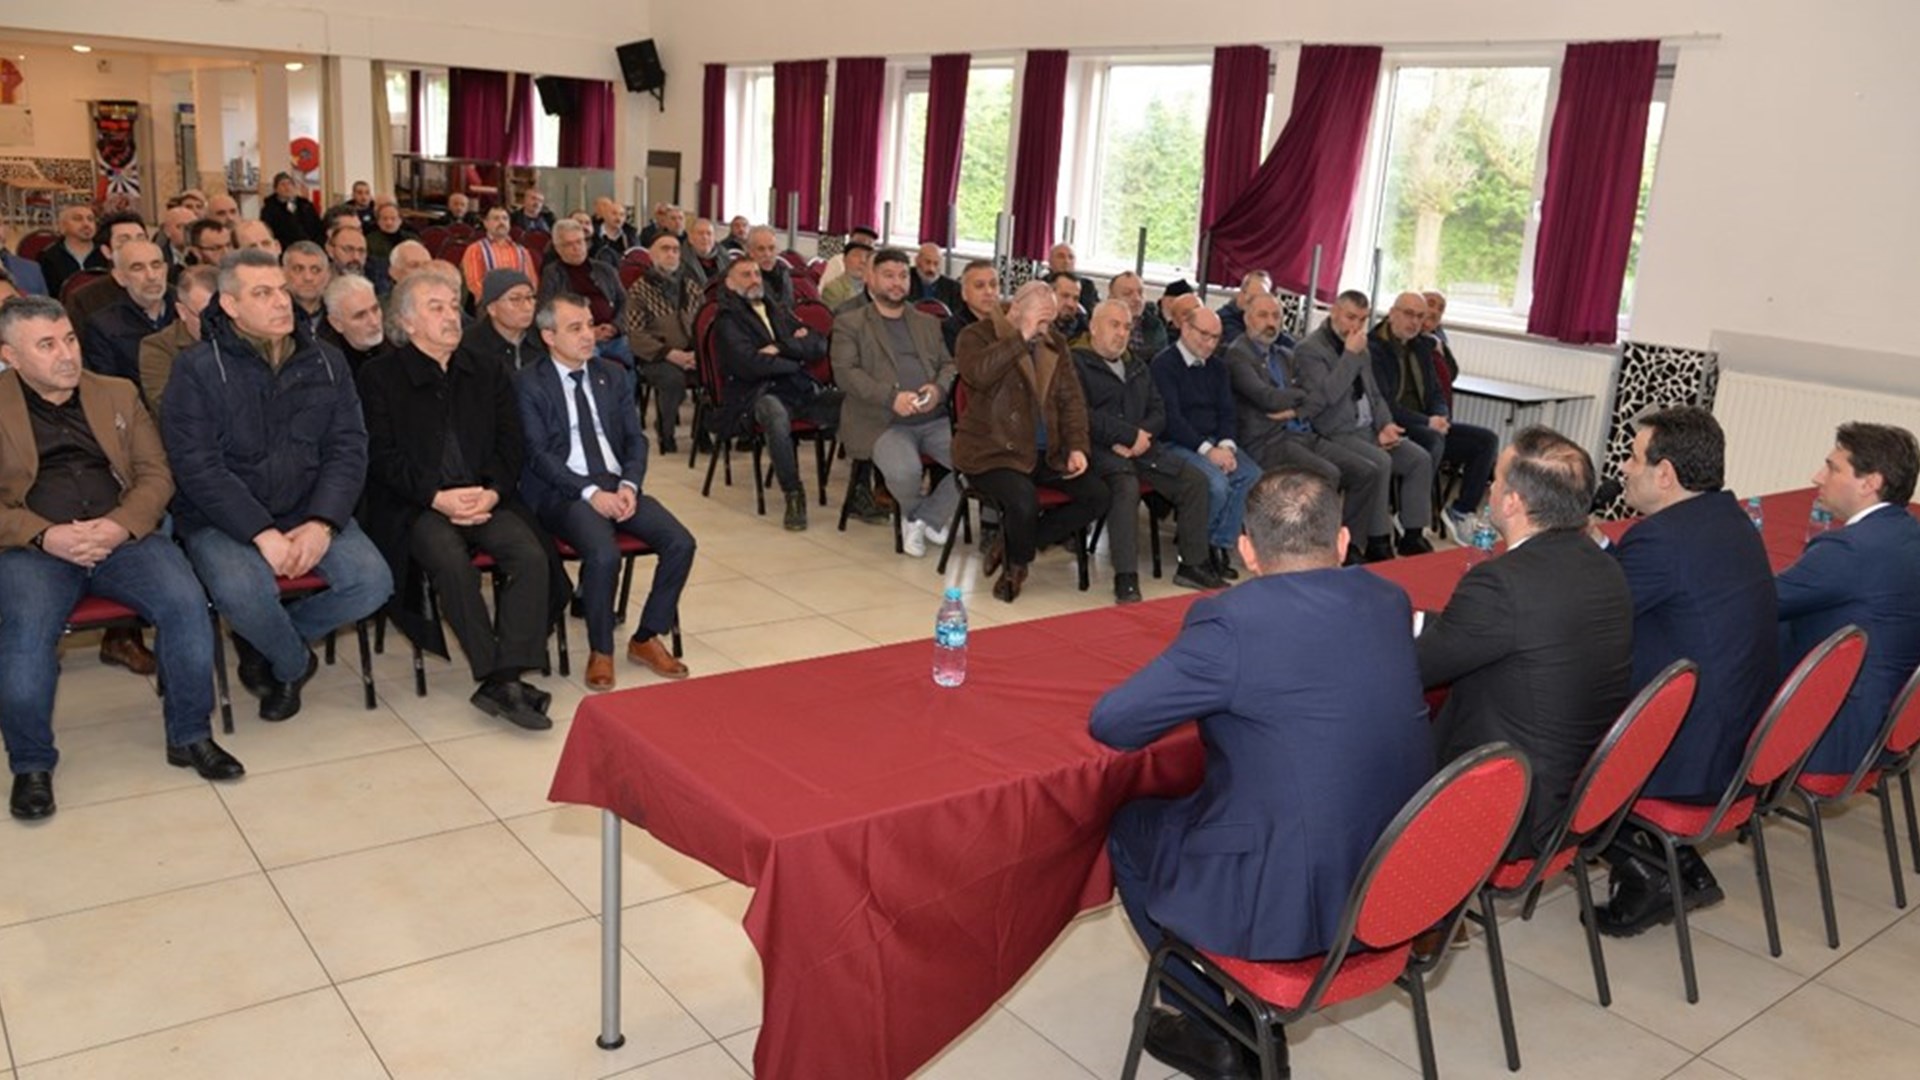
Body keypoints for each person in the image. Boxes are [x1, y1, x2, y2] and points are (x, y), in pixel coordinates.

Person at [1095, 467, 1433, 1080]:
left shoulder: (1232, 619)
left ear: (1246, 549)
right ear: (1343, 541)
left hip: (1291, 897)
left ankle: (1215, 1032)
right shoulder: (1388, 600)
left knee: (1131, 826)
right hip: (1396, 874)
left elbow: (1115, 723)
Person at [0, 297, 245, 822]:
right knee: (25, 629)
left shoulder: (115, 391)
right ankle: (32, 764)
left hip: (122, 537)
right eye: (47, 345)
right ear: (10, 356)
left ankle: (189, 735)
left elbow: (156, 473)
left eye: (69, 339)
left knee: (185, 601)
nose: (67, 354)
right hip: (34, 548)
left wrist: (120, 525)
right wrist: (45, 536)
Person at [161, 249, 393, 722]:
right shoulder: (198, 368)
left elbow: (348, 448)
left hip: (309, 507)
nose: (281, 302)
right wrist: (260, 532)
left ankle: (268, 640)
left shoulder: (326, 360)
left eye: (282, 290)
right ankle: (292, 661)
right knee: (244, 593)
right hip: (223, 518)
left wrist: (323, 523)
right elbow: (197, 466)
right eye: (263, 293)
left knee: (372, 583)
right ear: (230, 305)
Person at [1588, 406, 1779, 937]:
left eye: (1633, 459)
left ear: (1665, 474)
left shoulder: (1662, 539)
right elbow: (1650, 580)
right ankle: (1679, 864)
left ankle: (1648, 868)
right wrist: (1597, 544)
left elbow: (1593, 616)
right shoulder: (1728, 520)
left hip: (1690, 753)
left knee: (1543, 731)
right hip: (1739, 737)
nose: (1624, 468)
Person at [1417, 426, 1632, 856]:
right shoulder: (1605, 566)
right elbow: (1516, 631)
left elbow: (1416, 667)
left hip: (1511, 806)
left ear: (1513, 502)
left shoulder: (1501, 583)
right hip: (1579, 789)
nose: (1490, 488)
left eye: (1496, 479)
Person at [357, 272, 557, 730]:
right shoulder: (379, 376)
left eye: (453, 306)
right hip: (417, 503)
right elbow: (379, 455)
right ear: (407, 322)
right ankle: (498, 674)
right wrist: (435, 497)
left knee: (530, 555)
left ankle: (504, 675)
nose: (451, 316)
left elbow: (511, 443)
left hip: (483, 495)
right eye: (436, 308)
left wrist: (493, 490)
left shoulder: (486, 369)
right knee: (451, 563)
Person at [520, 293, 697, 689]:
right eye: (575, 328)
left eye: (588, 324)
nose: (588, 335)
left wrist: (630, 484)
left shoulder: (611, 374)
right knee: (603, 554)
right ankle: (601, 649)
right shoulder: (530, 382)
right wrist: (589, 493)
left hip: (616, 484)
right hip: (564, 491)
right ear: (548, 336)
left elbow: (636, 439)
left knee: (681, 543)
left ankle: (646, 637)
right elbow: (538, 455)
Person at [953, 280, 1109, 602]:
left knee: (1098, 495)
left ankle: (1015, 543)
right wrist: (1019, 337)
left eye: (1049, 320)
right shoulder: (977, 335)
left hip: (1045, 453)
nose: (1045, 328)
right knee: (1024, 500)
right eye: (1040, 319)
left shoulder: (1054, 343)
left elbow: (1072, 401)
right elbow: (977, 375)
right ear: (1016, 308)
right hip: (992, 451)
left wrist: (1077, 447)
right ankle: (1017, 567)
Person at [1778, 423, 1920, 774]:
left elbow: (1762, 602)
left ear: (1870, 483)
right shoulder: (1909, 533)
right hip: (1889, 724)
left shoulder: (1848, 548)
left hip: (1838, 735)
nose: (1817, 477)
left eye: (1833, 468)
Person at [1072, 299, 1218, 601]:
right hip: (1099, 450)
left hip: (1142, 447)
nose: (1121, 333)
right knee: (1126, 487)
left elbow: (1159, 410)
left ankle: (1192, 564)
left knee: (1194, 481)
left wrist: (1141, 437)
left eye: (1127, 327)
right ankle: (1126, 576)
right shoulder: (1076, 363)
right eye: (1114, 325)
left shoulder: (1137, 365)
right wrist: (1129, 436)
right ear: (1094, 327)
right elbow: (1081, 415)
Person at [1225, 293, 1385, 550]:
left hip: (1301, 433)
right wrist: (1299, 397)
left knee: (1367, 472)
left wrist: (1293, 408)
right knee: (1328, 473)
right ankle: (1312, 548)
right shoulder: (1238, 354)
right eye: (1263, 315)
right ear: (1247, 318)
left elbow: (1315, 396)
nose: (1271, 323)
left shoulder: (1283, 354)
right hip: (1267, 441)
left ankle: (1350, 547)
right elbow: (1267, 398)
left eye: (1276, 316)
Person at [828, 248, 960, 557]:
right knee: (906, 473)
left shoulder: (927, 322)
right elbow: (845, 374)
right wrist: (892, 398)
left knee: (978, 462)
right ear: (870, 278)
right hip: (881, 421)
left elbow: (949, 365)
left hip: (933, 418)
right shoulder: (850, 323)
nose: (897, 283)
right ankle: (916, 515)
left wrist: (937, 390)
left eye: (903, 276)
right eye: (888, 275)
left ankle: (923, 518)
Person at [1292, 290, 1436, 561]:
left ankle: (1413, 534)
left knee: (1419, 459)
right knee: (1380, 462)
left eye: (1362, 319)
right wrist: (1349, 356)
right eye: (1350, 317)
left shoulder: (1360, 346)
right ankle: (1376, 540)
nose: (1356, 326)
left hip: (1368, 428)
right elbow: (1325, 397)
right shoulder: (1310, 350)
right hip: (1334, 430)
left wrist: (1385, 424)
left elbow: (1375, 394)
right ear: (1334, 312)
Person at [710, 258, 840, 529]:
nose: (755, 280)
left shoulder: (777, 309)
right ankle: (793, 493)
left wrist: (781, 348)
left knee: (854, 404)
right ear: (730, 284)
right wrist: (796, 359)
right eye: (746, 275)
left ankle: (863, 490)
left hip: (797, 389)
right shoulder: (727, 321)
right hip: (754, 395)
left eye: (757, 274)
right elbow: (750, 364)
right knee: (774, 412)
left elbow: (818, 344)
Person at [1370, 292, 1498, 543]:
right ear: (1392, 313)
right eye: (1409, 314)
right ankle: (1411, 513)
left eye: (1420, 317)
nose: (1414, 322)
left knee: (1486, 440)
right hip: (1395, 425)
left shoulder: (1422, 346)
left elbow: (1437, 392)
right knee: (1432, 438)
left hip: (1426, 424)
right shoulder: (1375, 348)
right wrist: (1428, 422)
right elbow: (1383, 404)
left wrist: (1441, 415)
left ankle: (1460, 511)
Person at [1150, 307, 1261, 580]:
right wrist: (1209, 451)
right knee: (1216, 484)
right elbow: (1171, 420)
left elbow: (1227, 412)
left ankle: (1217, 544)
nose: (1210, 344)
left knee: (1251, 475)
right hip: (1176, 443)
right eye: (1205, 335)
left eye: (1216, 338)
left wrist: (1227, 447)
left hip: (1213, 442)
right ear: (1186, 329)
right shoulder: (1164, 365)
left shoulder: (1217, 367)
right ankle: (1196, 551)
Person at [622, 232, 701, 453]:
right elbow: (636, 335)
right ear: (651, 254)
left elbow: (704, 323)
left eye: (675, 250)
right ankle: (666, 432)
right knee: (673, 380)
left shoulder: (691, 286)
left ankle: (701, 431)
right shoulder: (639, 290)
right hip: (657, 356)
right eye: (665, 249)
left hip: (691, 353)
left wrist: (698, 352)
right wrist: (670, 354)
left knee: (715, 374)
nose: (671, 254)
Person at [538, 219, 631, 371]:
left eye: (579, 242)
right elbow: (545, 311)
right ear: (558, 248)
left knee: (629, 366)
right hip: (577, 338)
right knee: (596, 370)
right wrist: (588, 331)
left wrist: (615, 327)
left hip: (613, 334)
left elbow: (625, 302)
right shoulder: (552, 274)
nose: (577, 248)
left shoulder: (605, 270)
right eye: (569, 244)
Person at [81, 239, 172, 392]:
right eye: (138, 268)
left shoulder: (187, 312)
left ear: (166, 269)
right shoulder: (103, 326)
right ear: (120, 277)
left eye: (156, 265)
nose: (151, 276)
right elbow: (109, 389)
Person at [137, 264, 217, 417]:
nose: (217, 324)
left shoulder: (248, 335)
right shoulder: (158, 348)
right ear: (182, 311)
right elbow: (172, 410)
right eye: (206, 316)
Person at [459, 269, 548, 373]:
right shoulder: (468, 345)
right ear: (492, 309)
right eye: (515, 299)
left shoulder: (544, 338)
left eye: (529, 297)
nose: (527, 307)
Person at [460, 206, 539, 301]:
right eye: (496, 218)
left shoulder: (522, 252)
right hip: (488, 303)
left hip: (518, 302)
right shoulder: (475, 249)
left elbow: (532, 283)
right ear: (486, 223)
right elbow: (474, 284)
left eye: (505, 218)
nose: (501, 222)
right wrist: (501, 301)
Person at [317, 272, 390, 373]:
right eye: (360, 316)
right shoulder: (324, 364)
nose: (374, 322)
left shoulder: (395, 344)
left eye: (375, 309)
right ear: (337, 323)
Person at [36, 205, 107, 299]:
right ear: (62, 226)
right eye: (78, 219)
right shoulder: (49, 257)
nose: (86, 224)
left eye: (90, 219)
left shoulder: (107, 253)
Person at [942, 259, 998, 354]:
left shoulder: (1006, 320)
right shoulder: (954, 329)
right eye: (979, 286)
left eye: (993, 285)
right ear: (964, 293)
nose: (989, 291)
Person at [1108, 271, 1168, 359]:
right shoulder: (1100, 325)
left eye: (1140, 293)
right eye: (1127, 293)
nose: (1137, 299)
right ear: (1112, 299)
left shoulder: (1155, 326)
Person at [282, 241, 332, 338]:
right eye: (298, 269)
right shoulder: (273, 316)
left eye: (315, 270)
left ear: (327, 276)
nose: (308, 277)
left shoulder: (340, 315)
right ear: (283, 273)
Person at [260, 172, 323, 249]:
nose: (287, 187)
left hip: (310, 246)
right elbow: (267, 232)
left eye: (289, 183)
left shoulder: (305, 205)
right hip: (285, 248)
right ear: (276, 189)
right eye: (283, 184)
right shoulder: (269, 209)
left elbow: (318, 227)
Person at [1214, 270, 1270, 347]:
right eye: (1253, 298)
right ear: (1241, 294)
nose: (1259, 304)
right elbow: (1247, 347)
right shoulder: (1224, 319)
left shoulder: (1267, 318)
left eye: (1264, 299)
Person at [744, 225, 795, 310]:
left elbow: (789, 307)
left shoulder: (783, 273)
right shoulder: (741, 278)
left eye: (771, 248)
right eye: (761, 249)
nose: (767, 254)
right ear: (750, 252)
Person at [1046, 242, 1101, 314]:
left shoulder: (1087, 286)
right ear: (1050, 261)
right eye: (1061, 256)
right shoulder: (1041, 285)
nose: (1066, 261)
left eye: (1071, 257)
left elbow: (1094, 314)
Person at [818, 240, 872, 312]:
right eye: (857, 255)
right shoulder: (833, 289)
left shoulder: (874, 288)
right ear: (844, 259)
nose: (863, 260)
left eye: (867, 257)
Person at [906, 243, 962, 311]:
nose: (931, 269)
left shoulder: (953, 288)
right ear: (917, 261)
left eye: (936, 264)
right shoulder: (905, 279)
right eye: (927, 262)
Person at [589, 198, 639, 263]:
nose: (618, 218)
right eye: (614, 214)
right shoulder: (592, 233)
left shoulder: (630, 235)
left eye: (622, 215)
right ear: (605, 215)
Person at [683, 216, 728, 286]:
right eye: (700, 233)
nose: (705, 237)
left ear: (714, 238)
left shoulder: (724, 257)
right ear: (690, 238)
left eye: (709, 233)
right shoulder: (681, 259)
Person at [1047, 271, 1088, 341]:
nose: (1070, 304)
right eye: (1065, 296)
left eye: (1075, 298)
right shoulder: (1036, 328)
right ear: (1050, 294)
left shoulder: (1083, 330)